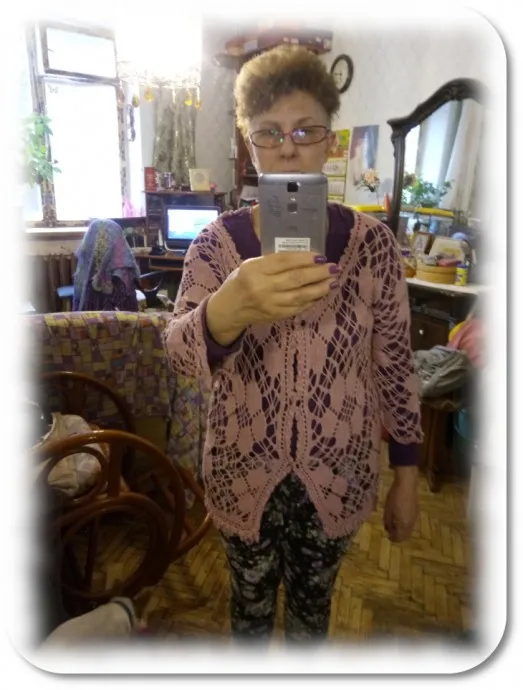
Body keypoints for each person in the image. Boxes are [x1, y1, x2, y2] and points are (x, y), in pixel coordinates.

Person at [163, 44, 422, 643]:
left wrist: (407, 476)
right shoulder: (214, 245)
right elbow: (178, 355)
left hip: (340, 470)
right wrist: (225, 311)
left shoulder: (373, 246)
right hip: (241, 468)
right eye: (269, 132)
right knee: (249, 614)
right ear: (250, 143)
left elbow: (395, 365)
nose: (287, 147)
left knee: (312, 617)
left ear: (330, 141)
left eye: (305, 130)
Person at [73, 218, 141, 311]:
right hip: (114, 317)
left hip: (91, 317)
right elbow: (129, 310)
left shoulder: (85, 269)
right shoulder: (124, 272)